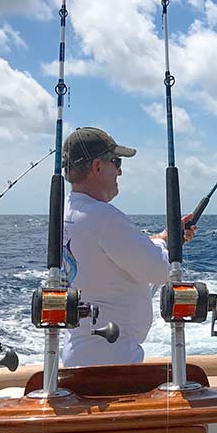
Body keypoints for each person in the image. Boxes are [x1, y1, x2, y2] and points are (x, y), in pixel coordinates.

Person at [60, 127, 196, 366]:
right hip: (113, 361)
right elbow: (161, 271)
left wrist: (165, 237)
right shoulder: (103, 217)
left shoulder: (67, 214)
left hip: (78, 356)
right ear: (98, 167)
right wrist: (169, 246)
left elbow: (117, 254)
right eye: (116, 161)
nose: (120, 171)